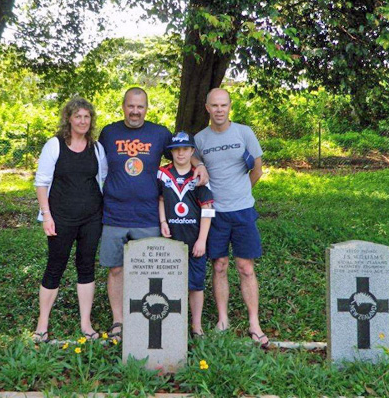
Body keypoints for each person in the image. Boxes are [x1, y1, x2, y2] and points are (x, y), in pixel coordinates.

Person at [98, 86, 208, 341]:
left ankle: (147, 316)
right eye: (131, 106)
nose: (135, 111)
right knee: (115, 269)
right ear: (123, 106)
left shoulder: (159, 133)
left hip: (148, 214)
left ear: (146, 108)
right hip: (114, 213)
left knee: (148, 268)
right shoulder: (108, 132)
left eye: (140, 106)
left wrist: (200, 165)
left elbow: (182, 152)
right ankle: (119, 320)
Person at [194, 88, 269, 347]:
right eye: (214, 105)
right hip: (214, 213)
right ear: (207, 108)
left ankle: (254, 322)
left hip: (242, 211)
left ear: (230, 106)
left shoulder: (244, 133)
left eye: (223, 105)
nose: (219, 110)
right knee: (219, 266)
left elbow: (257, 170)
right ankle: (222, 319)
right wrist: (199, 164)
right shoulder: (201, 138)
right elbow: (193, 157)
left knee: (246, 268)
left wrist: (241, 193)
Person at [33, 97, 107, 343]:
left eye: (87, 117)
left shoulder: (96, 148)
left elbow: (102, 179)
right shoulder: (54, 145)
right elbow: (41, 183)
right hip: (61, 218)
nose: (83, 121)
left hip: (91, 218)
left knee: (86, 267)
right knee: (55, 266)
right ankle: (42, 324)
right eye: (78, 116)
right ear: (69, 119)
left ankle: (86, 324)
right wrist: (47, 216)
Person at [157, 132, 214, 337]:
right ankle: (173, 323)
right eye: (177, 149)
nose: (181, 153)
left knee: (196, 285)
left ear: (192, 151)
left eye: (185, 149)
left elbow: (207, 210)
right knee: (169, 282)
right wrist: (163, 222)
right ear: (171, 151)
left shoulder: (199, 177)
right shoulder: (162, 174)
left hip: (194, 240)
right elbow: (161, 199)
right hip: (171, 239)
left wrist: (202, 240)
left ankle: (196, 326)